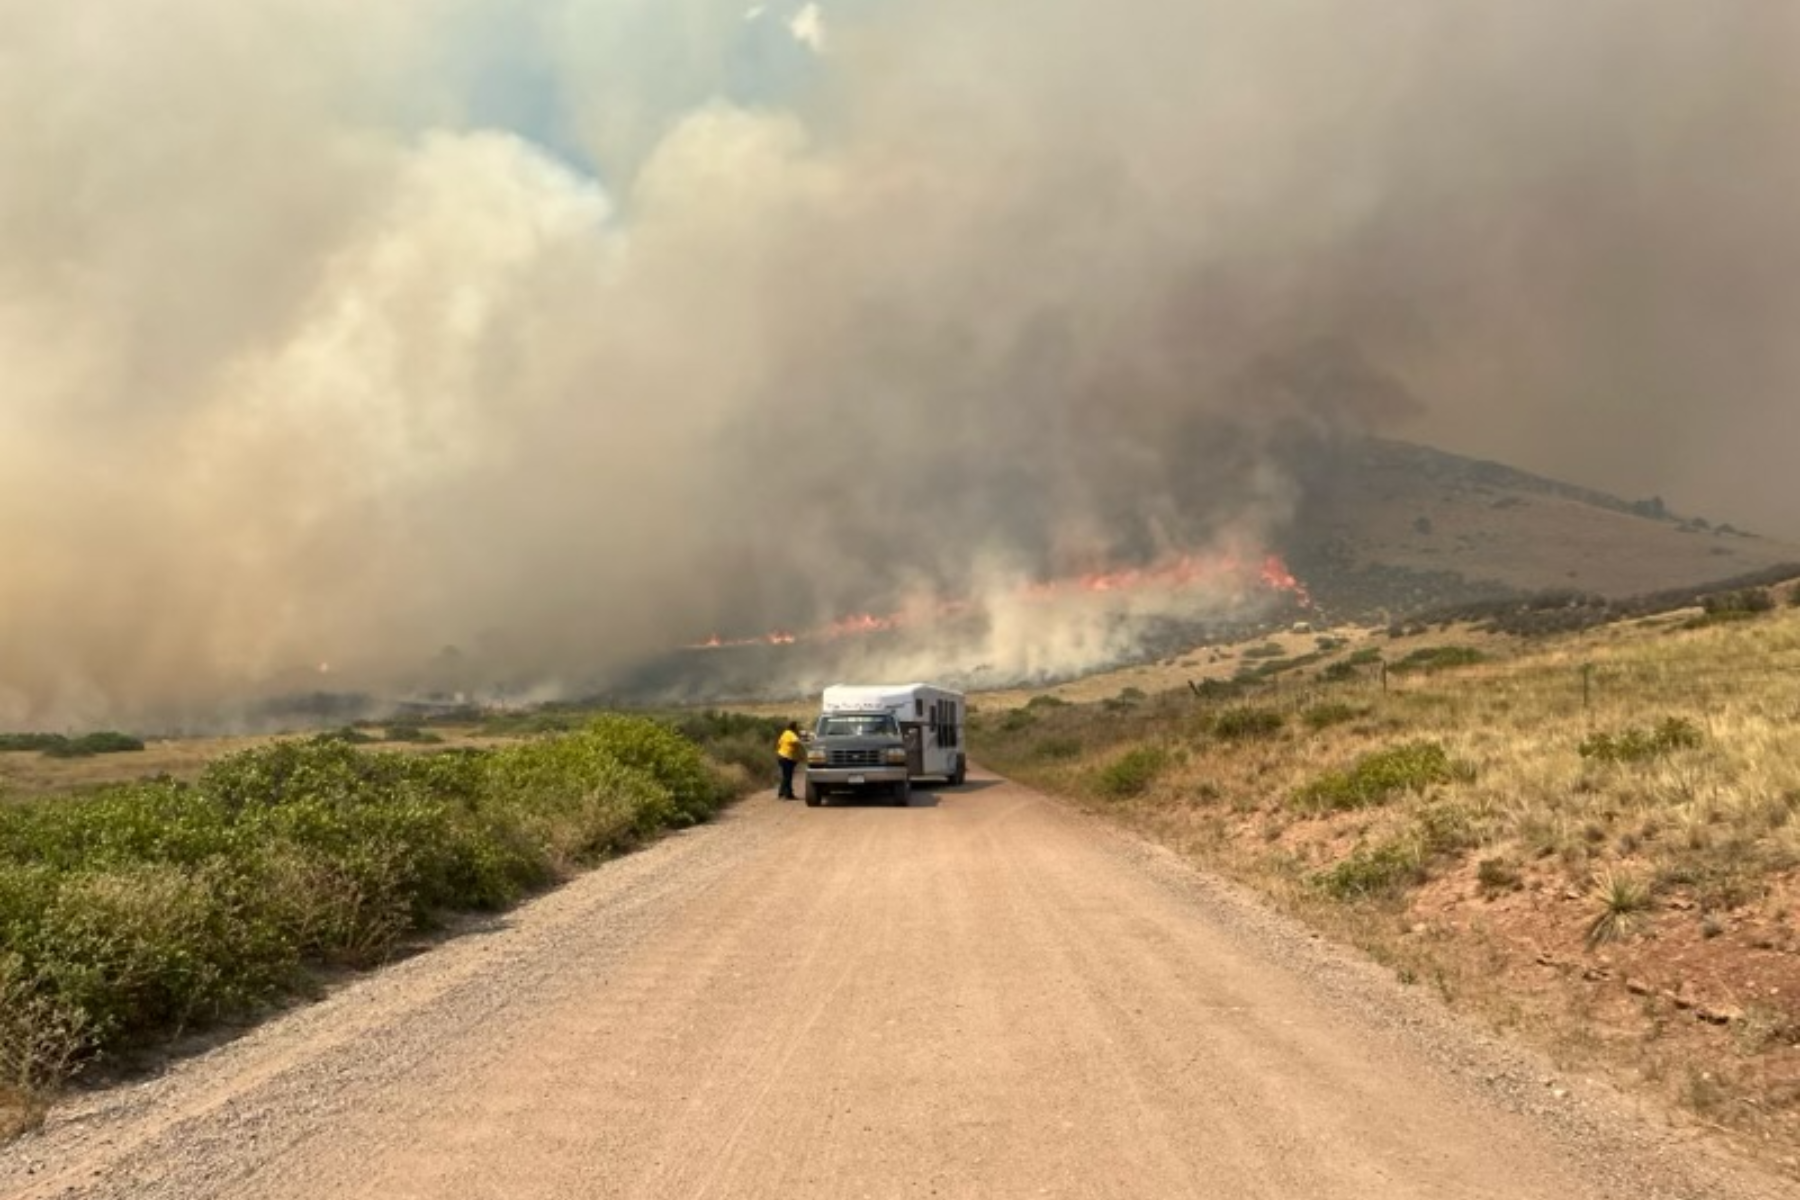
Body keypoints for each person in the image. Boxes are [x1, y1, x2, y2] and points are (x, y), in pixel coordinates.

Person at [776, 720, 804, 799]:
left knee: (786, 776)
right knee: (788, 776)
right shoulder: (791, 734)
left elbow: (779, 743)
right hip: (787, 757)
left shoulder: (785, 733)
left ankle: (787, 793)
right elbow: (797, 741)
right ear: (794, 727)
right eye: (796, 727)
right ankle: (783, 793)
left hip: (781, 756)